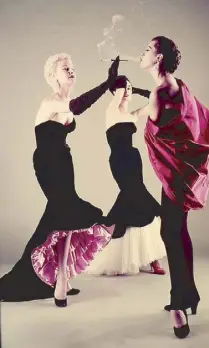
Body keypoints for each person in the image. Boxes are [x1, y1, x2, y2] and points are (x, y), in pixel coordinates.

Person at [0, 53, 120, 307]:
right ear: (53, 76)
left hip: (63, 161)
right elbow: (78, 106)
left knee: (64, 217)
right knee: (63, 212)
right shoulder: (51, 101)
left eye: (72, 67)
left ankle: (61, 280)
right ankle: (53, 279)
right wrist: (106, 83)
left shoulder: (63, 101)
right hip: (47, 163)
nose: (71, 70)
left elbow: (74, 110)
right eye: (65, 68)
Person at [131, 36, 209, 338]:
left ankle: (179, 305)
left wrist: (126, 109)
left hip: (175, 180)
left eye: (147, 49)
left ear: (158, 59)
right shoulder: (176, 85)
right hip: (182, 176)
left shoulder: (159, 94)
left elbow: (148, 113)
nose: (142, 52)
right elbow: (169, 109)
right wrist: (138, 95)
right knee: (179, 231)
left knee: (170, 233)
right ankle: (190, 294)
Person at [87, 76, 166, 276]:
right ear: (116, 91)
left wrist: (136, 89)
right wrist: (119, 83)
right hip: (120, 160)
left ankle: (149, 258)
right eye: (124, 88)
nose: (127, 91)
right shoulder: (111, 111)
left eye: (129, 88)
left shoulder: (132, 115)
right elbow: (118, 93)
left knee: (134, 202)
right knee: (140, 200)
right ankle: (153, 260)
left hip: (133, 159)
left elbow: (155, 100)